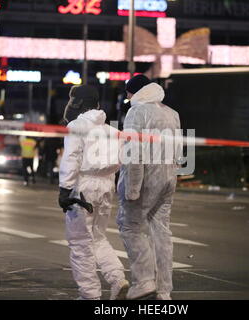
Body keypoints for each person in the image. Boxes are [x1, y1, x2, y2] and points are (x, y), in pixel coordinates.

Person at [58, 84, 129, 300]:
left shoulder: (77, 126)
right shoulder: (113, 131)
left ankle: (89, 295)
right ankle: (117, 279)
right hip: (106, 186)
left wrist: (65, 189)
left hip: (83, 188)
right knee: (97, 238)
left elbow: (72, 157)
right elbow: (123, 161)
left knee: (80, 243)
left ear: (78, 103)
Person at [117, 75, 181, 300]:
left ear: (135, 92)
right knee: (161, 231)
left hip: (146, 179)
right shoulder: (172, 113)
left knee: (130, 226)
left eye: (128, 93)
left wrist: (133, 187)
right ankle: (164, 291)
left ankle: (143, 281)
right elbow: (179, 153)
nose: (127, 97)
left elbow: (134, 153)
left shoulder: (137, 112)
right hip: (168, 178)